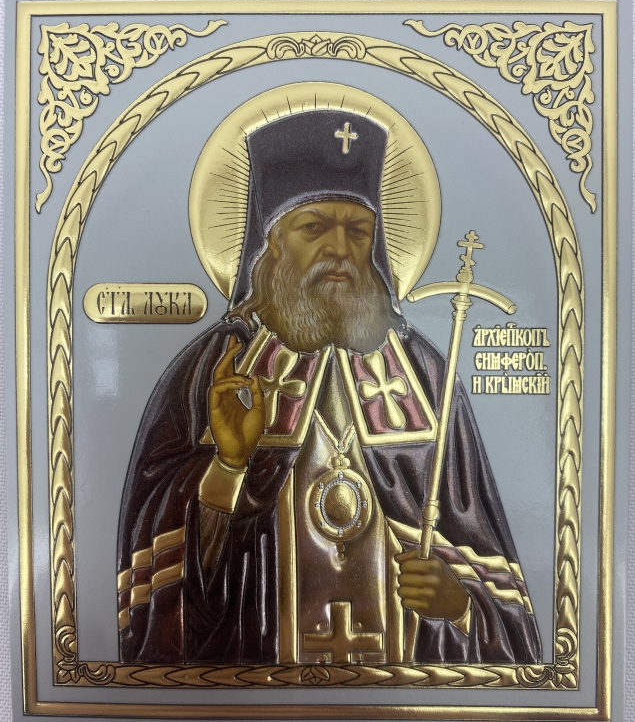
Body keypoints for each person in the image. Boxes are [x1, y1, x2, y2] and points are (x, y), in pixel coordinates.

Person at [117, 109, 541, 665]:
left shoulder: (423, 373)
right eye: (314, 227)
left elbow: (492, 578)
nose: (340, 248)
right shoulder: (215, 369)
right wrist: (229, 466)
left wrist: (460, 605)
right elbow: (163, 579)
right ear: (272, 244)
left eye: (358, 231)